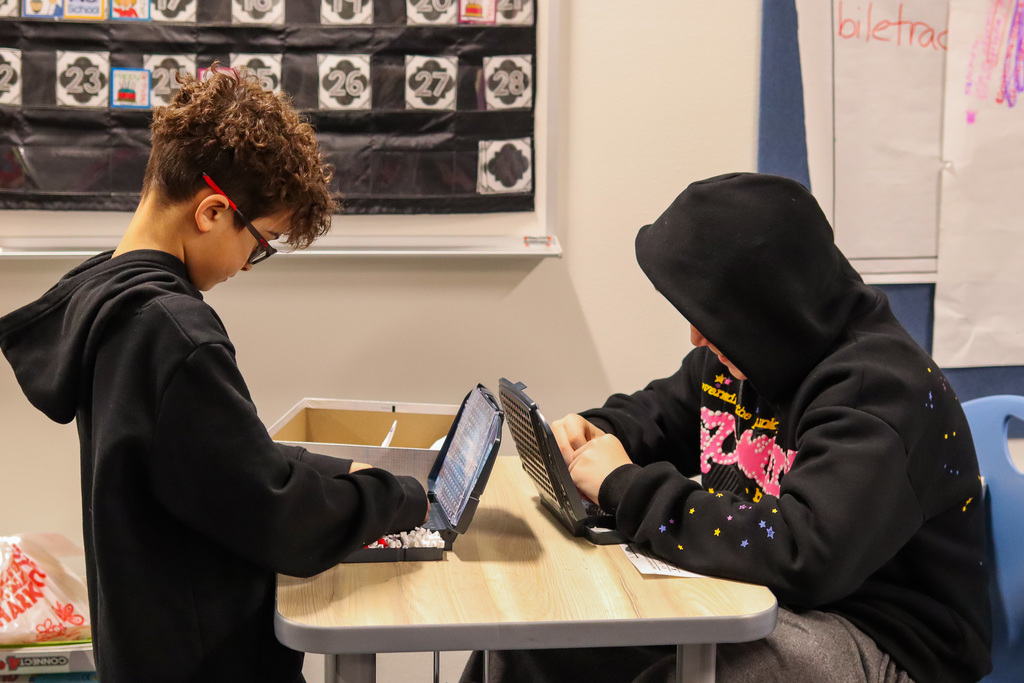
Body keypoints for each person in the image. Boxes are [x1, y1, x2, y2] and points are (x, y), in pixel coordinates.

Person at [463, 172, 992, 683]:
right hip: (760, 597)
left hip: (883, 639)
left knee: (697, 677)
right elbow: (657, 414)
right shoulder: (748, 354)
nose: (696, 337)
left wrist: (624, 485)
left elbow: (802, 554)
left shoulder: (879, 391)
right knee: (533, 647)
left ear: (766, 308)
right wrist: (595, 433)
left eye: (713, 319)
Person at [0, 67, 428, 682]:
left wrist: (339, 472)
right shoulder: (172, 331)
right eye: (262, 241)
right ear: (212, 211)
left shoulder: (109, 296)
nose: (252, 264)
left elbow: (214, 458)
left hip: (147, 647)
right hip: (205, 662)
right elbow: (277, 518)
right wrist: (400, 498)